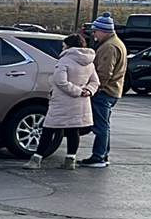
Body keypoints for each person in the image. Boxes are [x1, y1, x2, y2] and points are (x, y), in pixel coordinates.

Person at [23, 33, 99, 169]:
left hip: (63, 101)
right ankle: (70, 160)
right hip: (81, 102)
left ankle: (36, 159)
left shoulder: (65, 60)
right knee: (73, 130)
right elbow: (95, 81)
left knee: (49, 128)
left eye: (64, 44)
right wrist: (87, 91)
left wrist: (76, 91)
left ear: (68, 46)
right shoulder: (89, 62)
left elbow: (59, 81)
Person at [83, 13, 126, 168]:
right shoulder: (115, 43)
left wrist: (95, 88)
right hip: (113, 90)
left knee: (101, 126)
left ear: (104, 30)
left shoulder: (109, 47)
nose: (93, 34)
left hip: (105, 91)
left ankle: (98, 156)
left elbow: (104, 72)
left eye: (95, 31)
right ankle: (103, 155)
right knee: (104, 124)